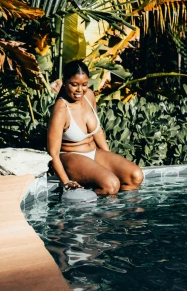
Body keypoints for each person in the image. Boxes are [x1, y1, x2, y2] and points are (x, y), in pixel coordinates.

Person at [47, 60, 144, 195]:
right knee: (111, 186)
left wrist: (109, 158)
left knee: (135, 176)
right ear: (64, 82)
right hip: (71, 157)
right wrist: (66, 183)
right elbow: (54, 153)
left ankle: (121, 213)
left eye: (84, 85)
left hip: (93, 153)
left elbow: (97, 131)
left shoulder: (89, 96)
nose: (80, 90)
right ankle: (92, 210)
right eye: (74, 85)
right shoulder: (61, 109)